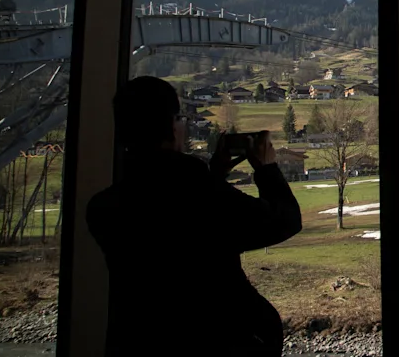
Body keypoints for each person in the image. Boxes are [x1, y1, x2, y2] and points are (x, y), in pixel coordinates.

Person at [87, 76, 302, 356]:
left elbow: (169, 224)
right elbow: (284, 220)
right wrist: (266, 169)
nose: (183, 125)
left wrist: (213, 174)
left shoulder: (103, 207)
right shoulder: (199, 195)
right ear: (170, 126)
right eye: (179, 118)